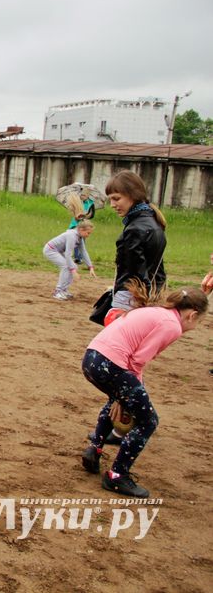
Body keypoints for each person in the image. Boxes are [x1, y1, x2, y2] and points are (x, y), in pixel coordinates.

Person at [81, 283, 208, 498]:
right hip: (111, 365)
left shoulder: (158, 312)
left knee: (120, 399)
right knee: (148, 421)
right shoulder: (172, 325)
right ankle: (116, 476)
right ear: (193, 315)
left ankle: (95, 449)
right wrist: (130, 392)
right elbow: (137, 361)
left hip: (92, 359)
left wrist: (124, 395)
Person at [104, 171, 167, 326]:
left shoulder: (135, 229)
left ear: (133, 194)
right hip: (149, 294)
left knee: (115, 344)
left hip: (130, 297)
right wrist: (153, 294)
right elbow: (157, 269)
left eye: (116, 198)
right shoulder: (155, 223)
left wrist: (137, 296)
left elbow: (134, 270)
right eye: (110, 199)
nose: (112, 205)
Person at [43, 221, 96, 300]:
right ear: (81, 230)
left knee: (73, 266)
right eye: (88, 233)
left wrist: (90, 267)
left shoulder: (79, 237)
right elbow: (68, 254)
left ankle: (64, 290)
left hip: (58, 251)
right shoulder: (72, 236)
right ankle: (58, 291)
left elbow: (83, 252)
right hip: (50, 250)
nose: (88, 235)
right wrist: (73, 271)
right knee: (65, 266)